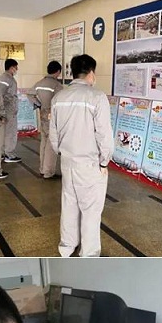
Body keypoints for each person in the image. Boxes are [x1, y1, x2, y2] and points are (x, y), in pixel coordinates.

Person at [50, 54, 114, 258]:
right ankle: (89, 254)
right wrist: (104, 161)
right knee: (91, 210)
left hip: (67, 162)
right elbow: (104, 134)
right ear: (91, 72)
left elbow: (53, 133)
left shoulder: (59, 97)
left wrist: (62, 152)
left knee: (69, 205)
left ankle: (67, 246)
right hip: (90, 164)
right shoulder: (97, 97)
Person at [31, 61, 64, 179]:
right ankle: (48, 172)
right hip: (52, 115)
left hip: (43, 113)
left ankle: (42, 168)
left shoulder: (39, 83)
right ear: (58, 72)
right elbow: (60, 101)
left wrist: (39, 104)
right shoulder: (57, 85)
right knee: (51, 143)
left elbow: (30, 94)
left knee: (44, 141)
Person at [0, 58, 22, 164]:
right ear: (11, 68)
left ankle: (3, 153)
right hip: (8, 110)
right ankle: (9, 154)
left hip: (7, 109)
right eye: (16, 67)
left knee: (5, 132)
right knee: (10, 133)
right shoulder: (6, 78)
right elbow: (0, 95)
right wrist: (9, 105)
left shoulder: (6, 78)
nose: (17, 69)